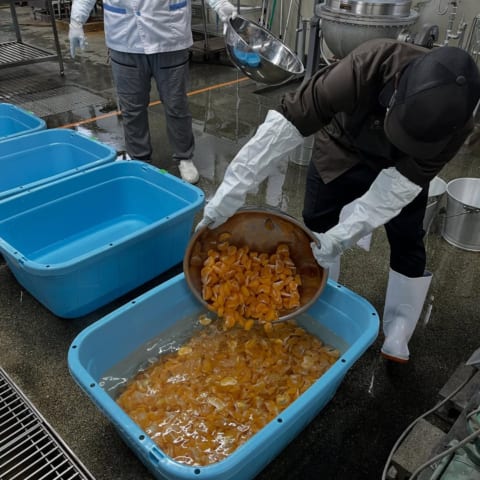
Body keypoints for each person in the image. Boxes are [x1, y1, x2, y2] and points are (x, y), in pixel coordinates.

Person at [196, 38, 480, 362]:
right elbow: (287, 124)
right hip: (342, 148)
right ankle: (322, 296)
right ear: (397, 90)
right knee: (318, 222)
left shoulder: (457, 125)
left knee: (408, 238)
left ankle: (400, 327)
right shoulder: (364, 66)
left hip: (404, 168)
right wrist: (230, 192)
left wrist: (346, 235)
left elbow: (398, 188)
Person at [68, 0, 237, 184]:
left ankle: (184, 157)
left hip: (170, 37)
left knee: (176, 105)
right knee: (132, 109)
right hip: (125, 37)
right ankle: (140, 160)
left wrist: (220, 4)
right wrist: (76, 21)